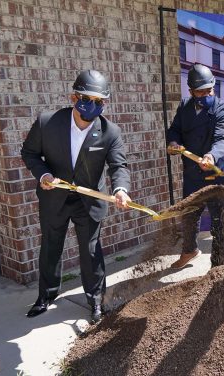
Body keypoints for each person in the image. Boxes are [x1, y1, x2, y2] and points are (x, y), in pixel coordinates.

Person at [21, 70, 132, 323]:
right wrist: (44, 174)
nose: (92, 105)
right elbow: (29, 154)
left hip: (88, 202)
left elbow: (119, 166)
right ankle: (46, 296)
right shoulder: (47, 122)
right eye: (87, 98)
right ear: (74, 97)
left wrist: (120, 189)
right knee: (50, 247)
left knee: (91, 252)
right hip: (54, 197)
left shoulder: (110, 132)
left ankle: (96, 300)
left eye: (99, 101)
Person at [167, 64, 224, 269]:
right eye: (201, 92)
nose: (206, 95)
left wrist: (211, 155)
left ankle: (217, 266)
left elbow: (223, 138)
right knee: (189, 215)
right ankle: (189, 251)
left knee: (217, 222)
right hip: (192, 173)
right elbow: (175, 129)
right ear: (191, 92)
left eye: (209, 90)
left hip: (215, 174)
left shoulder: (221, 109)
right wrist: (173, 143)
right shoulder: (184, 106)